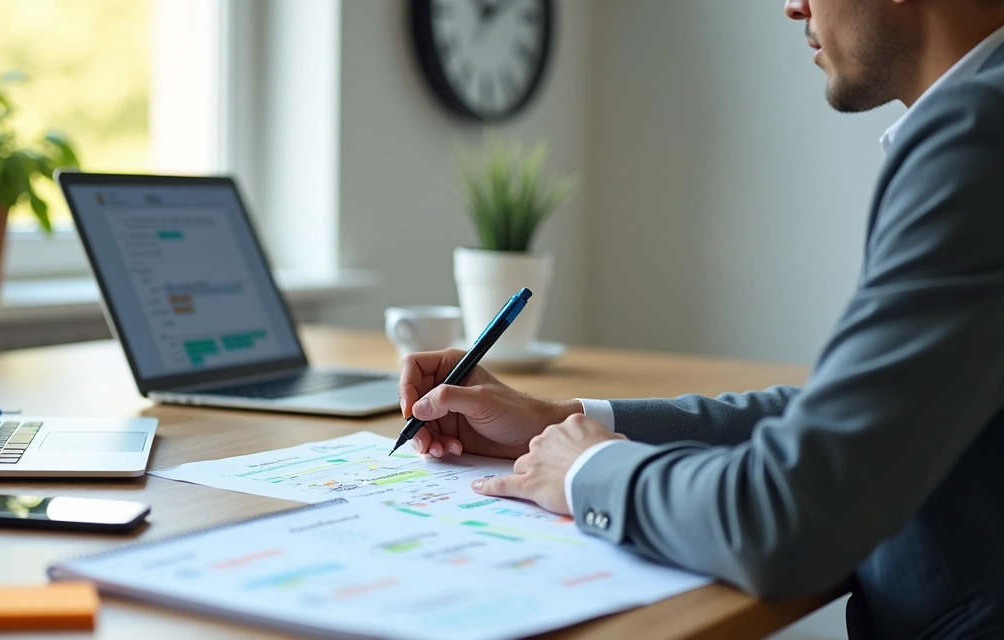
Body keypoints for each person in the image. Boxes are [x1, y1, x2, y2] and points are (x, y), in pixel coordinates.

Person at [397, 1, 1004, 637]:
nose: (793, 4)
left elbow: (790, 517)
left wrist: (588, 471)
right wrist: (566, 421)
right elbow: (854, 421)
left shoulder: (976, 139)